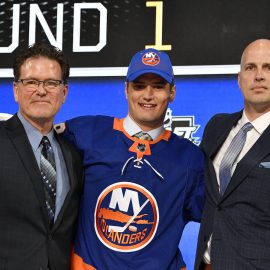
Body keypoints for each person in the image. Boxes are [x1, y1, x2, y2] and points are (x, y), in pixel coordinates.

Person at [60, 48, 205, 269]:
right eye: (139, 86)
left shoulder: (190, 159)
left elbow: (222, 218)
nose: (148, 95)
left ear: (172, 92)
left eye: (158, 86)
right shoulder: (85, 132)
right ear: (126, 89)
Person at [0, 43, 83, 270]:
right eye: (31, 82)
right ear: (16, 89)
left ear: (64, 92)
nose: (41, 90)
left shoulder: (74, 155)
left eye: (51, 83)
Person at [194, 39, 270, 270]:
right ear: (239, 79)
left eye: (268, 67)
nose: (259, 76)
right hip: (206, 263)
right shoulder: (216, 126)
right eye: (250, 67)